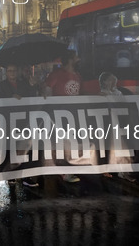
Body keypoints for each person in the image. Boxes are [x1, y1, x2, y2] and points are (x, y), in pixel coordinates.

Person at [0, 64, 40, 188]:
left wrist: (32, 86)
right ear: (6, 73)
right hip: (8, 121)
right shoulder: (1, 86)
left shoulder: (24, 84)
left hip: (23, 120)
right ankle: (11, 176)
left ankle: (26, 176)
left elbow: (31, 97)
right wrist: (10, 98)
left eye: (14, 70)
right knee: (11, 148)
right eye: (10, 70)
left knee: (25, 147)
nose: (12, 73)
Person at [44, 50, 81, 183]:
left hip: (73, 114)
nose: (78, 58)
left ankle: (67, 168)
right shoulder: (56, 75)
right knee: (60, 143)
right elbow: (47, 93)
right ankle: (63, 171)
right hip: (58, 115)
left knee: (70, 142)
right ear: (70, 59)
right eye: (76, 56)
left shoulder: (77, 75)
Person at [98, 72, 136, 182]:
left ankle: (123, 171)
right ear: (104, 82)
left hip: (120, 124)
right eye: (110, 80)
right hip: (108, 125)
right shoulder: (102, 94)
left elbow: (123, 104)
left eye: (114, 80)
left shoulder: (118, 93)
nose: (113, 82)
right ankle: (109, 169)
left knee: (122, 147)